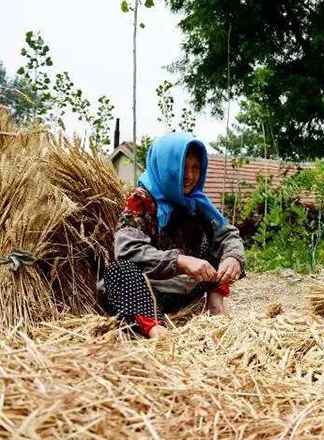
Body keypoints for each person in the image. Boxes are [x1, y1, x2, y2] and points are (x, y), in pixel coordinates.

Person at [99, 132, 246, 338]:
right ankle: (153, 327)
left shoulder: (197, 202)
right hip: (148, 290)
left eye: (196, 167)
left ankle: (215, 304)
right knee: (119, 270)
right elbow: (127, 249)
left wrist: (232, 258)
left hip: (185, 289)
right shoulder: (140, 201)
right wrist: (180, 261)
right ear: (166, 165)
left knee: (220, 249)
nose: (190, 176)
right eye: (182, 167)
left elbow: (227, 234)